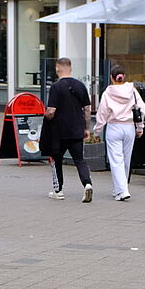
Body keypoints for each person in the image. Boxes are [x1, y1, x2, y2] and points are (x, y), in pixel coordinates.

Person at [42, 58, 93, 202]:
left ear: (57, 68)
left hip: (59, 131)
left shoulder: (56, 87)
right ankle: (87, 184)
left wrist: (45, 114)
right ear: (71, 68)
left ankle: (58, 190)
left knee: (56, 159)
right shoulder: (81, 86)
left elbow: (52, 111)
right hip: (77, 129)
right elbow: (87, 109)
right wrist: (86, 128)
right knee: (79, 160)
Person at [93, 65, 145, 202]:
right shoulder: (132, 91)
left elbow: (102, 113)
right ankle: (120, 189)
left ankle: (122, 190)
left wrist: (97, 130)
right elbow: (142, 108)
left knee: (116, 160)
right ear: (124, 77)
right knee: (126, 159)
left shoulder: (107, 93)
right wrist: (140, 127)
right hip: (129, 127)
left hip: (114, 126)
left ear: (111, 77)